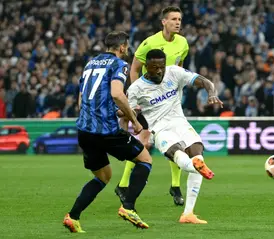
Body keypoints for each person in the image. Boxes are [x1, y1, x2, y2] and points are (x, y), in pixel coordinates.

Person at [63, 31, 152, 232]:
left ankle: (73, 216)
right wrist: (134, 120)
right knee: (145, 159)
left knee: (103, 176)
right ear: (122, 47)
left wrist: (117, 112)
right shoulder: (119, 64)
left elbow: (82, 100)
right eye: (127, 47)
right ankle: (128, 207)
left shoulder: (90, 64)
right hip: (106, 131)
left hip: (85, 130)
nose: (127, 50)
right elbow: (117, 94)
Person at [122, 49, 222, 224]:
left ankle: (188, 214)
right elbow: (125, 112)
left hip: (180, 122)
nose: (159, 71)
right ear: (146, 66)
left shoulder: (174, 72)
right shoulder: (136, 88)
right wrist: (131, 122)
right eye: (154, 67)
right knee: (180, 156)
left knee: (198, 152)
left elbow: (205, 81)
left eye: (161, 66)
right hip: (160, 129)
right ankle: (194, 165)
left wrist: (212, 93)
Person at [115, 6, 189, 206]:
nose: (178, 22)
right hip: (151, 102)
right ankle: (123, 185)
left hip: (171, 102)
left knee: (177, 142)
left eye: (179, 19)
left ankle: (175, 186)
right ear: (163, 22)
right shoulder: (149, 43)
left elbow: (178, 69)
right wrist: (136, 98)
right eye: (173, 19)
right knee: (144, 142)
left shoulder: (183, 43)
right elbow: (135, 69)